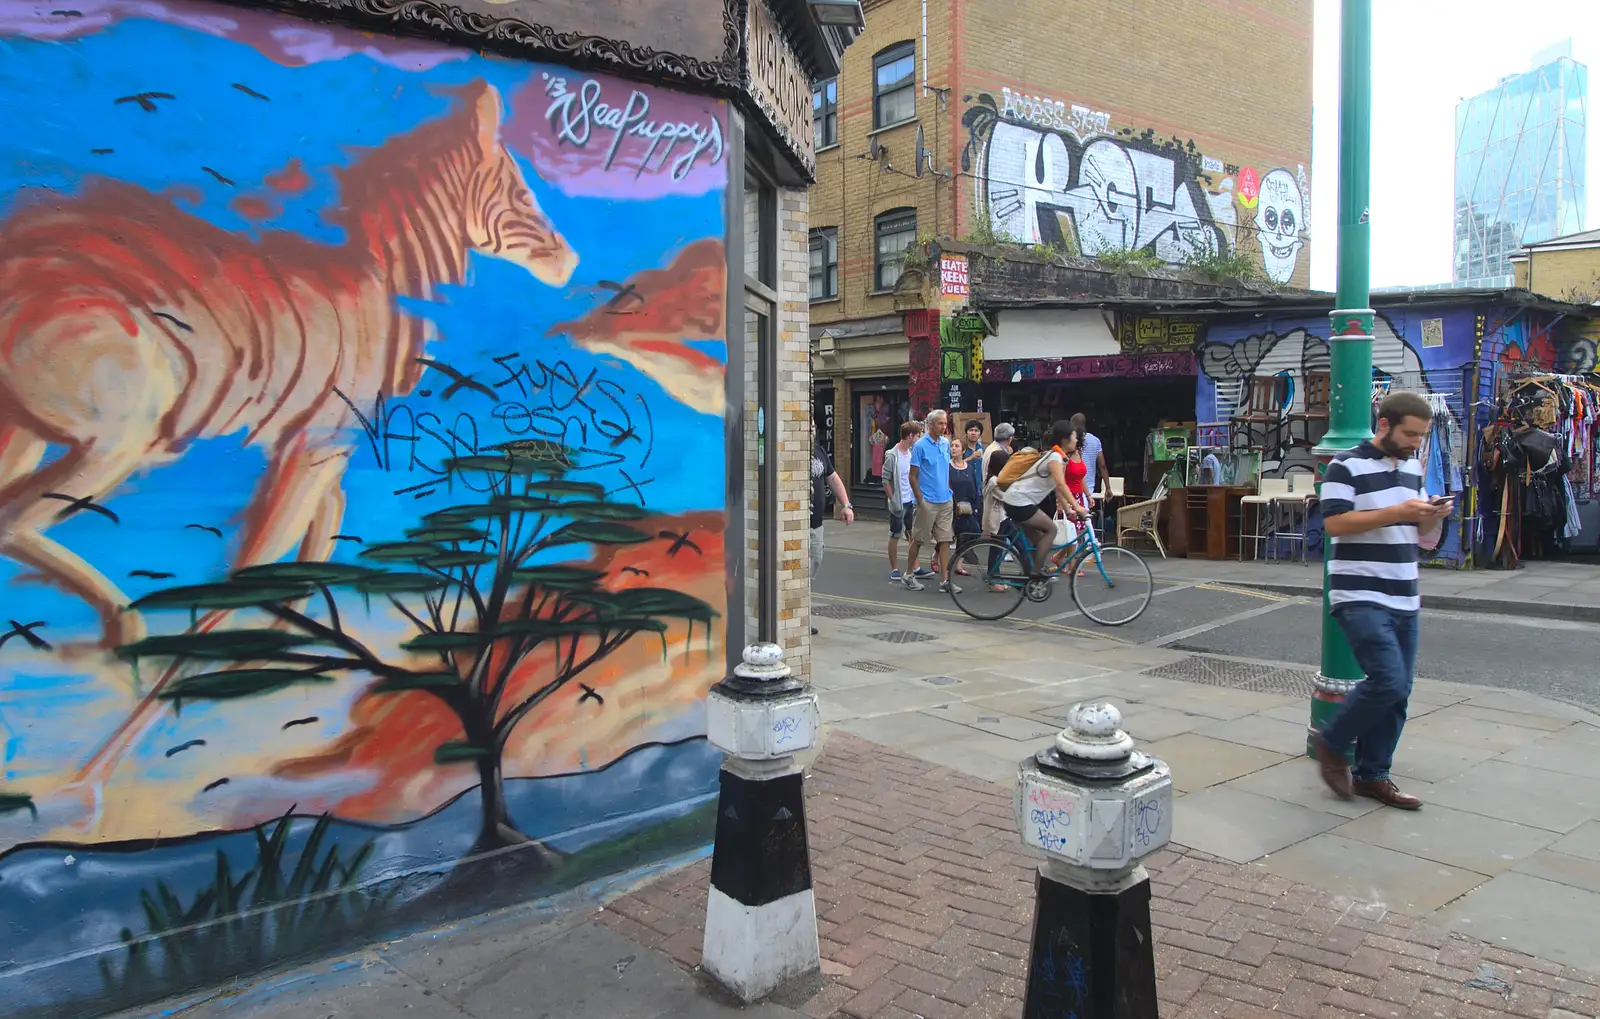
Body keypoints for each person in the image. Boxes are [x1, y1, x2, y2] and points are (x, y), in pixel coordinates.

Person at [1310, 391, 1451, 811]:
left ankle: (1373, 775)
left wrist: (1429, 514)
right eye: (1410, 434)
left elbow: (1417, 533)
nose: (1416, 443)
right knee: (1387, 680)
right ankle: (1332, 741)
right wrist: (1400, 512)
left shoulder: (1411, 465)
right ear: (1385, 425)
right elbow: (1335, 523)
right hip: (1359, 592)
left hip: (1405, 592)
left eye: (1422, 436)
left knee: (1399, 692)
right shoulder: (1345, 464)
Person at [1000, 420, 1090, 577]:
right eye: (1074, 437)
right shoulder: (1054, 458)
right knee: (1052, 530)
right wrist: (1078, 507)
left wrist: (1068, 509)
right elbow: (1062, 485)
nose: (1077, 441)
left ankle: (1028, 577)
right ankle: (1036, 572)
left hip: (1017, 500)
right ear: (1065, 439)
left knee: (1040, 539)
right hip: (1018, 501)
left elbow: (1057, 489)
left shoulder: (1058, 457)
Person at [904, 409, 957, 593]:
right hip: (927, 501)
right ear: (931, 424)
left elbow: (946, 470)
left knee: (945, 541)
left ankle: (945, 581)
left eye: (945, 423)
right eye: (940, 423)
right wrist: (920, 499)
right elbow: (912, 476)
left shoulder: (945, 443)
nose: (944, 427)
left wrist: (950, 492)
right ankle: (909, 575)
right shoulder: (920, 446)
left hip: (945, 500)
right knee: (918, 539)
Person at [809, 438, 855, 635]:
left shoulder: (818, 451)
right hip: (796, 525)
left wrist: (846, 505)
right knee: (799, 572)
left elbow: (833, 478)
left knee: (814, 564)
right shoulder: (790, 451)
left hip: (817, 525)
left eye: (811, 424)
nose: (810, 428)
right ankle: (799, 618)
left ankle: (799, 611)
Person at [882, 421, 933, 583]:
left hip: (911, 501)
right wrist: (893, 500)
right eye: (918, 435)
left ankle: (915, 568)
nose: (919, 438)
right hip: (899, 502)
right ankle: (895, 569)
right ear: (910, 436)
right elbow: (885, 480)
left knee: (913, 535)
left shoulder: (912, 453)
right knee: (895, 535)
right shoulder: (892, 455)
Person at [981, 423, 1017, 593]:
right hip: (997, 515)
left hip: (1001, 514)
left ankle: (996, 576)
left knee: (1005, 544)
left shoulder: (992, 450)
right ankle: (993, 577)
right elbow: (1004, 493)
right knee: (997, 547)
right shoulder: (995, 478)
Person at [947, 436, 982, 578]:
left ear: (963, 450)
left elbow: (974, 486)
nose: (953, 448)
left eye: (957, 446)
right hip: (952, 506)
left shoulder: (968, 467)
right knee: (949, 537)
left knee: (973, 532)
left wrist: (975, 506)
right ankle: (936, 556)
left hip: (967, 507)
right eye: (952, 446)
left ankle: (959, 562)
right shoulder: (947, 466)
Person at [1070, 412, 1109, 500]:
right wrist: (1108, 488)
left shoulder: (1070, 442)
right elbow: (1102, 466)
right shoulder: (1096, 441)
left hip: (1072, 488)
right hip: (1090, 489)